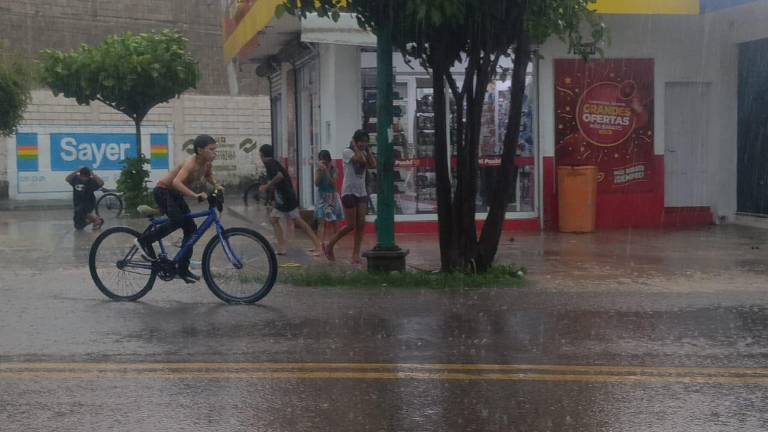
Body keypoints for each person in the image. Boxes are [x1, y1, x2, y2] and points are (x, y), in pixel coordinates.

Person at [135, 134, 222, 284]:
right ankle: (144, 241)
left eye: (215, 149)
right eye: (211, 149)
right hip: (163, 191)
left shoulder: (207, 164)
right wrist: (195, 196)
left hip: (175, 195)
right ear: (200, 150)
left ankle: (182, 269)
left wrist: (217, 186)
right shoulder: (191, 163)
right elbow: (176, 182)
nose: (215, 153)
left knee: (191, 230)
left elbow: (209, 177)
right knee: (178, 220)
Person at [258, 144, 323, 256]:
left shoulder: (269, 163)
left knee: (298, 221)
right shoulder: (273, 162)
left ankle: (318, 245)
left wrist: (266, 186)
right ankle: (282, 247)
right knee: (274, 219)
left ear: (262, 155)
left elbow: (279, 176)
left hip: (286, 198)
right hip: (284, 197)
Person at [323, 130, 376, 264]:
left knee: (361, 224)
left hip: (361, 192)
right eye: (361, 141)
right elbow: (359, 159)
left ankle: (355, 254)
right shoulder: (347, 152)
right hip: (348, 192)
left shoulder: (364, 152)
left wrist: (368, 150)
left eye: (366, 142)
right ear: (355, 141)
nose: (363, 144)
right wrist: (354, 146)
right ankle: (330, 245)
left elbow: (373, 164)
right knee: (351, 225)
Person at [313, 149, 344, 244]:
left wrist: (326, 171)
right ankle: (319, 244)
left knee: (334, 221)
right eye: (322, 161)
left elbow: (334, 185)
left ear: (329, 161)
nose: (324, 164)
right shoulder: (319, 170)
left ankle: (335, 243)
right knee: (321, 221)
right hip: (322, 196)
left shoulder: (334, 170)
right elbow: (317, 184)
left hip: (332, 197)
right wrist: (320, 171)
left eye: (325, 162)